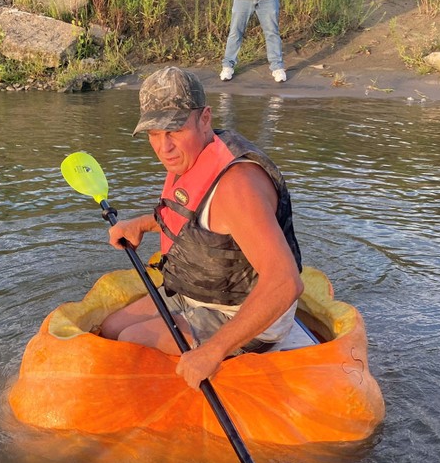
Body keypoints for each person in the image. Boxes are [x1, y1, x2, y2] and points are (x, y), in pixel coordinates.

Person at [100, 67, 304, 389]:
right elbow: (193, 219)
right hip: (196, 293)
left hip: (241, 313)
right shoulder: (192, 156)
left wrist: (213, 350)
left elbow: (285, 282)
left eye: (174, 130)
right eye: (154, 133)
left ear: (205, 118)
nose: (163, 146)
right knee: (111, 330)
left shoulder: (238, 187)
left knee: (130, 339)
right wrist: (138, 224)